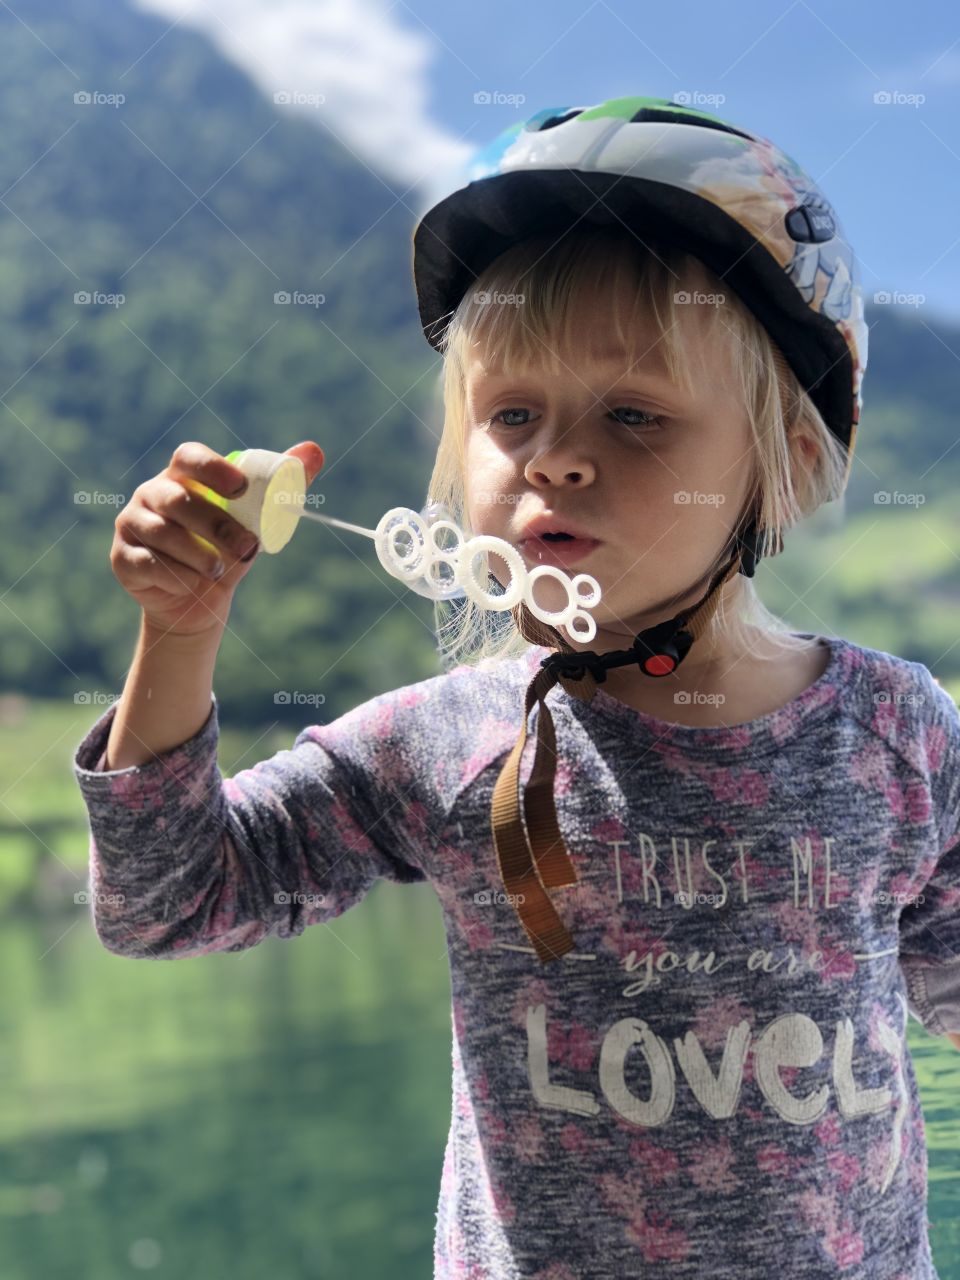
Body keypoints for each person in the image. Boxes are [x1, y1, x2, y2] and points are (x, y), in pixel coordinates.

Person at [72, 95, 960, 1278]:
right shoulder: (446, 743)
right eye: (511, 414)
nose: (555, 456)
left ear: (787, 467)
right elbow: (166, 902)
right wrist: (176, 639)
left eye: (634, 413)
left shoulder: (895, 734)